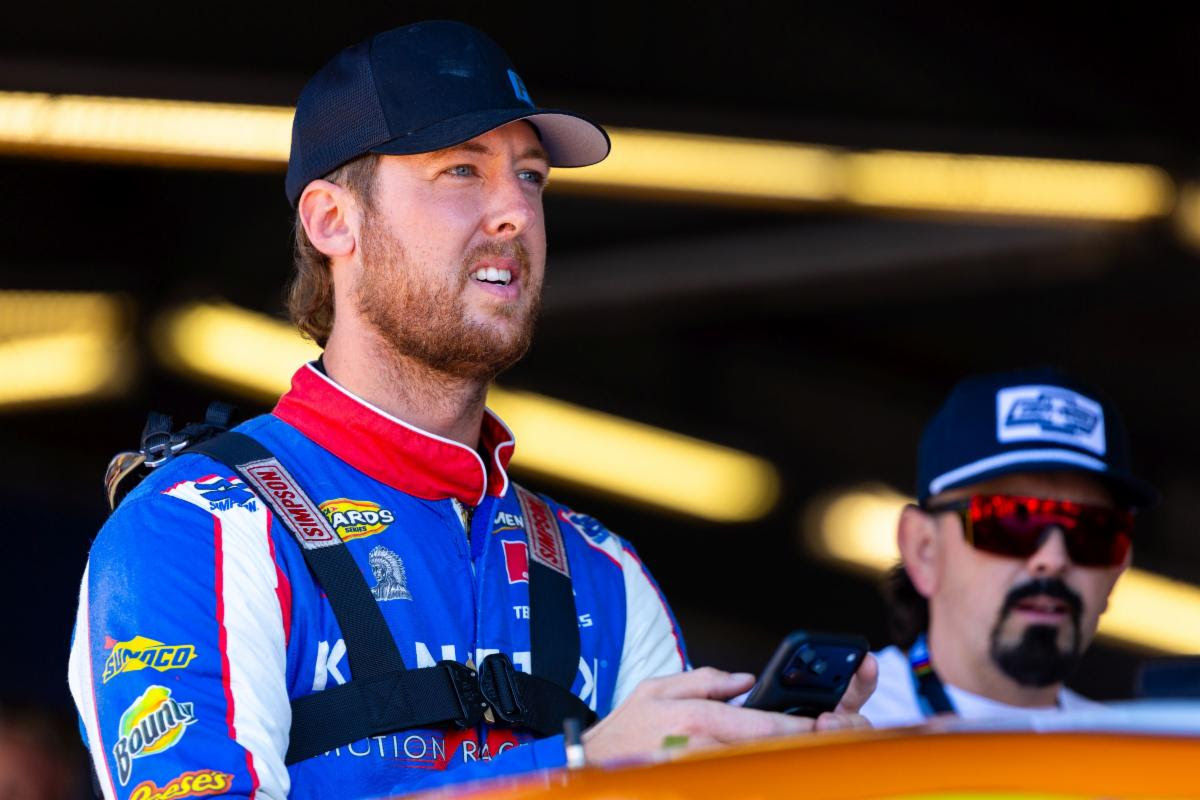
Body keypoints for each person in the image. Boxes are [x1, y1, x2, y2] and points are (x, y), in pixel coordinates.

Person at [68, 21, 874, 800]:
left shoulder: (605, 574)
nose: (516, 212)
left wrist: (781, 775)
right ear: (331, 220)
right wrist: (571, 772)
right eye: (462, 170)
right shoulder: (198, 527)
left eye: (530, 176)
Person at [860, 367, 1155, 727]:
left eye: (1092, 531)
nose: (1053, 559)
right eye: (1011, 520)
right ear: (924, 549)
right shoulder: (828, 731)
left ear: (1119, 566)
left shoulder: (1136, 762)